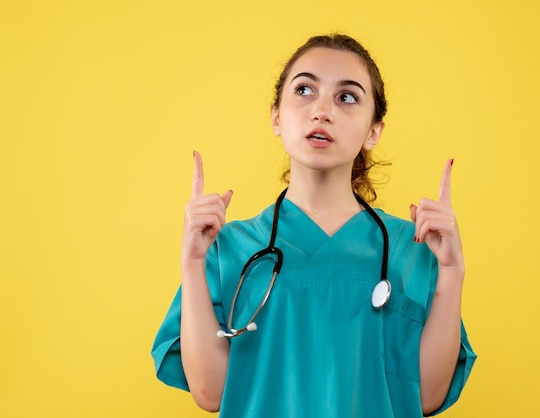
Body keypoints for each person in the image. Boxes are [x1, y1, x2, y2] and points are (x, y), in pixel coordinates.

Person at [152, 33, 476, 417]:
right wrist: (191, 262)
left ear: (374, 131)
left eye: (347, 97)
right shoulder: (229, 247)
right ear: (276, 116)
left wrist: (452, 271)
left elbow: (425, 397)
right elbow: (211, 393)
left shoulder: (414, 248)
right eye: (304, 89)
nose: (322, 111)